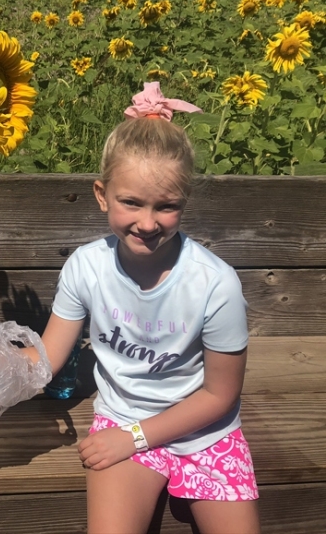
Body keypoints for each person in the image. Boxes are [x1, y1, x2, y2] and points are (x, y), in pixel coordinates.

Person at [29, 83, 261, 533]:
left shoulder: (215, 284)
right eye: (130, 202)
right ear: (102, 195)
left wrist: (135, 437)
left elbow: (219, 395)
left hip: (204, 431)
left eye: (167, 207)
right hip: (122, 419)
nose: (148, 223)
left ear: (184, 203)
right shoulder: (87, 268)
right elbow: (46, 357)